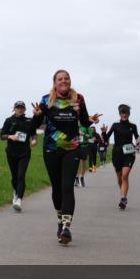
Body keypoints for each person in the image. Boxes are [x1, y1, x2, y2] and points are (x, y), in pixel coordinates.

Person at [31, 70, 102, 244]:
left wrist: (91, 120)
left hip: (72, 148)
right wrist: (37, 115)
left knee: (67, 187)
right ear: (54, 83)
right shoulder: (46, 100)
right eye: (60, 79)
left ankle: (66, 227)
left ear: (70, 81)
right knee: (56, 188)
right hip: (51, 149)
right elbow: (35, 125)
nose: (64, 81)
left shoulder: (78, 99)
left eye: (66, 78)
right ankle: (60, 218)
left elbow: (83, 121)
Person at [101, 104, 140, 210]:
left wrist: (138, 143)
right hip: (117, 153)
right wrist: (104, 132)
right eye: (122, 113)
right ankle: (123, 195)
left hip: (129, 153)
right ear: (120, 114)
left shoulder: (133, 126)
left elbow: (137, 137)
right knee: (120, 178)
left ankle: (123, 198)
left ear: (129, 114)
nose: (124, 115)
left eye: (126, 113)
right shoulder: (115, 125)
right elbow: (106, 138)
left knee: (125, 176)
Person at [0, 101, 37, 212]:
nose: (20, 109)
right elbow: (2, 135)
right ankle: (16, 192)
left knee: (21, 176)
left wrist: (34, 140)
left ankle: (19, 200)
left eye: (22, 108)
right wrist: (10, 136)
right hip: (11, 153)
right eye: (18, 108)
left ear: (25, 109)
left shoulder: (29, 121)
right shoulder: (9, 120)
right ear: (14, 109)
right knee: (15, 176)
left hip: (24, 153)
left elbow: (33, 133)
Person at [74, 121, 95, 187]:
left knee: (83, 163)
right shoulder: (75, 126)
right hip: (76, 146)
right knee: (75, 163)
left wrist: (83, 134)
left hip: (84, 146)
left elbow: (90, 136)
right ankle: (76, 178)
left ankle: (82, 177)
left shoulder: (86, 126)